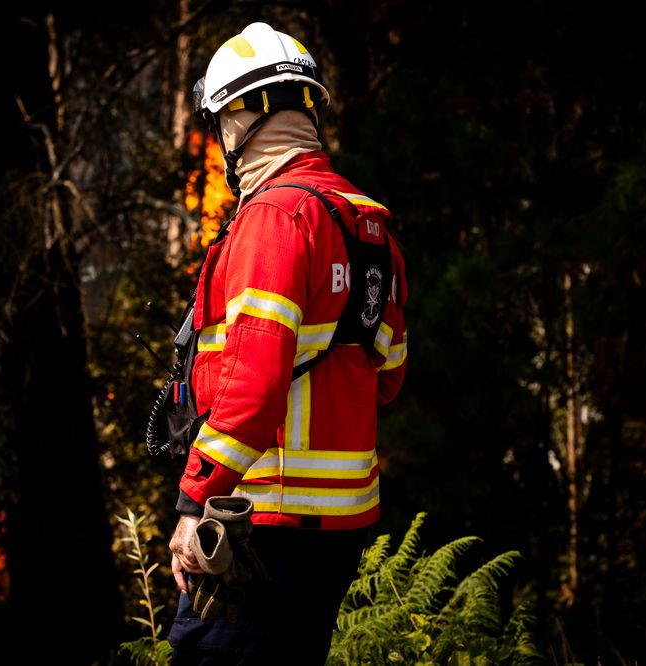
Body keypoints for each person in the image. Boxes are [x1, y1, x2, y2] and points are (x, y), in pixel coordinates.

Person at [166, 21, 408, 665]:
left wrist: (194, 501)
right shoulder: (369, 224)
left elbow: (256, 382)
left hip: (258, 522)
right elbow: (390, 374)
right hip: (338, 527)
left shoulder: (272, 219)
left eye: (219, 125)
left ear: (241, 122)